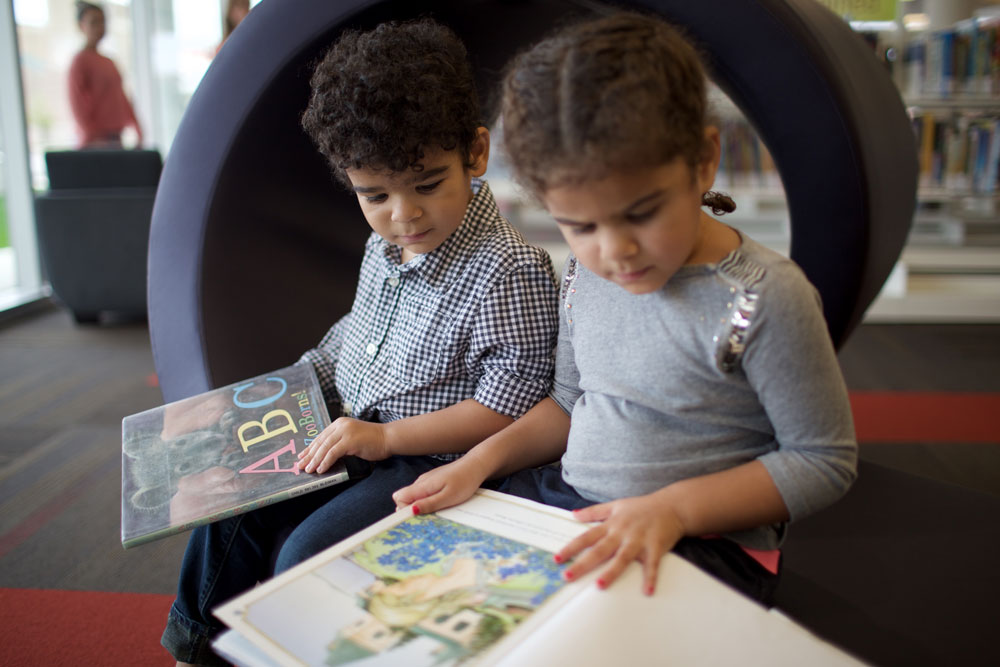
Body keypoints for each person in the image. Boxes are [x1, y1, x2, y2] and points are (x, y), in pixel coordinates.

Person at [393, 11, 858, 604]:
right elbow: (567, 402)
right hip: (566, 504)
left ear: (703, 160)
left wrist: (674, 509)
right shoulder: (584, 272)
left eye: (641, 213)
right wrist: (475, 465)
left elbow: (823, 460)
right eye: (580, 225)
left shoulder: (766, 297)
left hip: (703, 540)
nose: (615, 251)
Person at [162, 18, 559, 666]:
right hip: (360, 434)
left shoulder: (508, 270)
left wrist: (385, 439)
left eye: (428, 184)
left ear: (476, 154)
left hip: (430, 460)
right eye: (374, 195)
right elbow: (360, 334)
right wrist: (291, 383)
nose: (404, 214)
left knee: (304, 555)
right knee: (229, 498)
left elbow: (507, 409)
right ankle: (197, 647)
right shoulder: (386, 245)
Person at [67, 2, 142, 148]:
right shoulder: (80, 61)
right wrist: (93, 135)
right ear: (81, 26)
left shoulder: (109, 62)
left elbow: (122, 98)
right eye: (94, 22)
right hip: (94, 142)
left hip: (115, 138)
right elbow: (77, 104)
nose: (100, 27)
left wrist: (137, 128)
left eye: (102, 21)